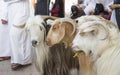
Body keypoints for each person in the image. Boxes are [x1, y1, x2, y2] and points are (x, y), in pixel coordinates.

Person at [3, 0, 33, 70]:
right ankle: (24, 59)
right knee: (21, 34)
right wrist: (5, 15)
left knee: (15, 33)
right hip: (11, 8)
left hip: (22, 8)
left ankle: (19, 60)